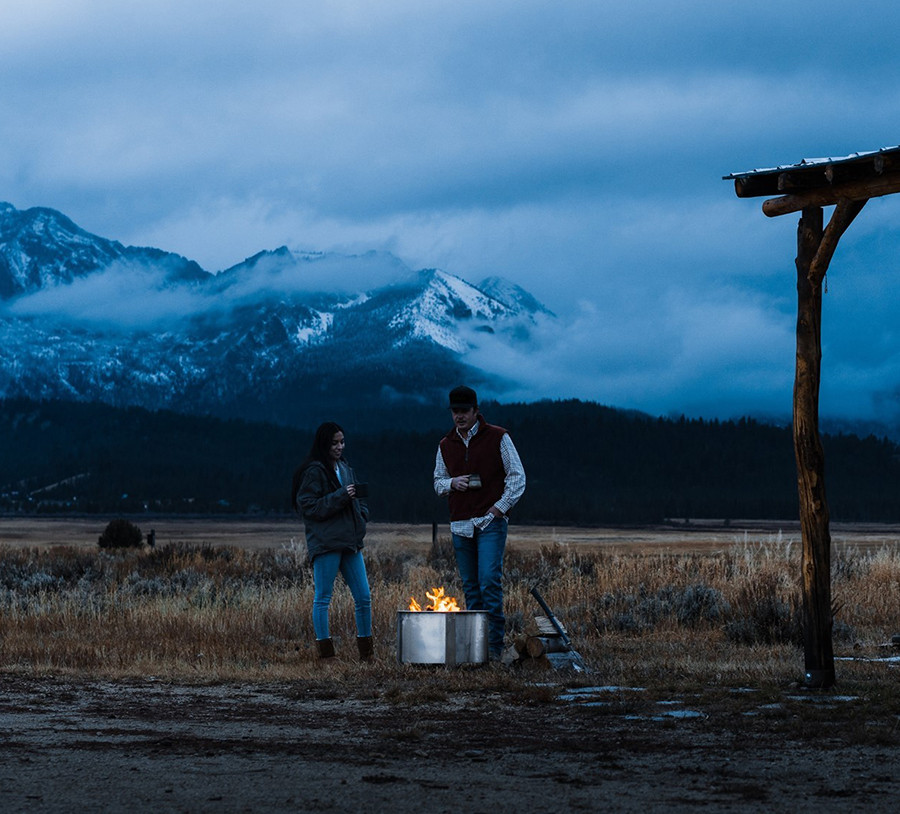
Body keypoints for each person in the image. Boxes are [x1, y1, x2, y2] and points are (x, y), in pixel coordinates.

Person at [433, 386, 526, 660]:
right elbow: (438, 482)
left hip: (489, 522)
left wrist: (499, 508)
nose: (459, 417)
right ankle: (476, 650)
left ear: (475, 411)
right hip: (460, 524)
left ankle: (494, 648)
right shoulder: (445, 444)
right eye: (455, 412)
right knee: (471, 587)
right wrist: (453, 483)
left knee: (488, 582)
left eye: (464, 411)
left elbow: (517, 477)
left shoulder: (498, 437)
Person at [291, 421, 372, 661]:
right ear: (324, 443)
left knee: (364, 597)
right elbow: (308, 506)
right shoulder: (314, 471)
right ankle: (326, 656)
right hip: (327, 543)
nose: (339, 447)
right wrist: (341, 496)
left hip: (349, 542)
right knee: (323, 597)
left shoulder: (345, 468)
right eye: (335, 443)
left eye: (342, 442)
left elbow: (358, 497)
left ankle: (367, 654)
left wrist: (362, 514)